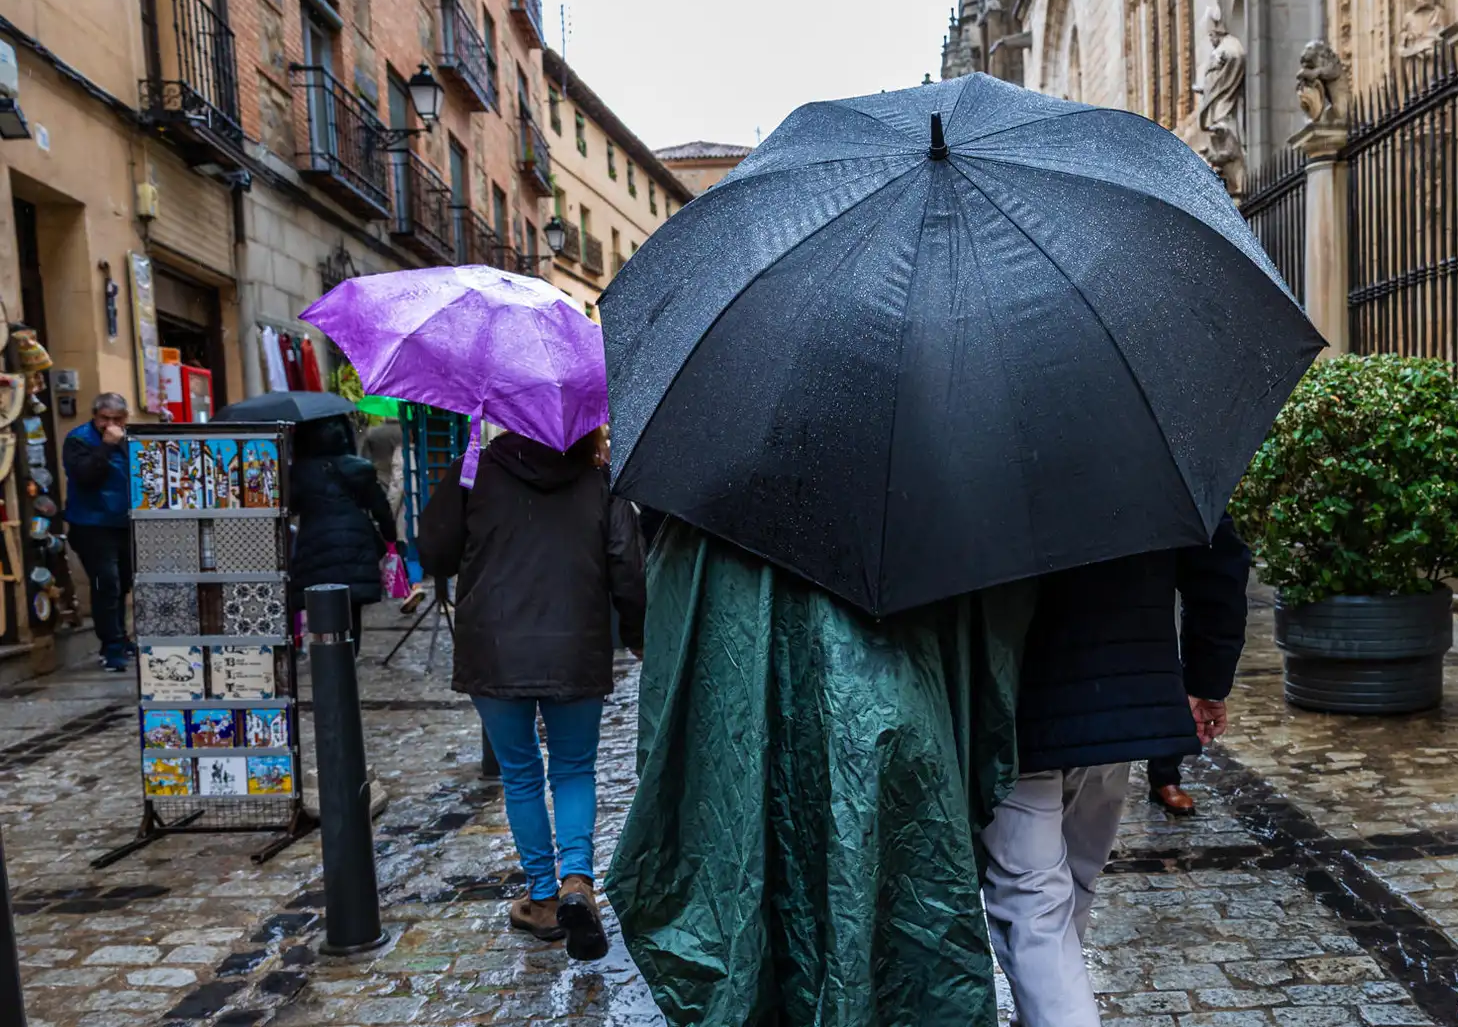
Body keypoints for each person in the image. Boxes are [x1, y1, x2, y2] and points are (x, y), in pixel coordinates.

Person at [604, 522, 1032, 1025]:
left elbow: (671, 671)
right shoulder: (924, 501)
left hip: (850, 741)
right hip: (893, 734)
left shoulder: (707, 508)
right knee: (884, 906)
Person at [983, 514, 1251, 1027]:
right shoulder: (1147, 444)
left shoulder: (967, 447)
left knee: (1033, 895)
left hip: (1020, 703)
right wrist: (1206, 679)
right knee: (1072, 879)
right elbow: (1218, 560)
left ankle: (1054, 1008)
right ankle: (1050, 1003)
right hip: (1117, 706)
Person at [419, 428, 645, 963]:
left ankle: (543, 898)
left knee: (521, 773)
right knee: (574, 769)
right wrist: (637, 634)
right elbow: (629, 570)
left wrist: (462, 474)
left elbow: (436, 554)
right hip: (576, 649)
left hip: (493, 650)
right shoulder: (598, 481)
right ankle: (577, 882)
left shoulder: (475, 472)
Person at [285, 415, 397, 651]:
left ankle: (325, 652)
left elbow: (291, 506)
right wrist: (390, 536)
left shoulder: (300, 472)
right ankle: (349, 654)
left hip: (314, 543)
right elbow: (379, 507)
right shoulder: (359, 469)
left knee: (319, 598)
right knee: (351, 602)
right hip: (354, 541)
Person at [63, 393, 133, 670]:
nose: (110, 424)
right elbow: (86, 476)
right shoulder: (78, 439)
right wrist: (106, 446)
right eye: (105, 419)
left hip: (124, 521)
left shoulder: (131, 438)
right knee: (107, 582)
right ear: (95, 417)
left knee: (124, 582)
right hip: (91, 523)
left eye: (117, 419)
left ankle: (121, 636)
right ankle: (111, 646)